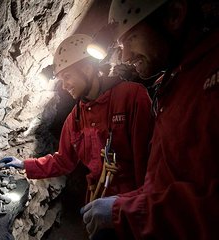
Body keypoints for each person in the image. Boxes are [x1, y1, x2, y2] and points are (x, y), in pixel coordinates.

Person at [81, 0, 219, 239]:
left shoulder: (210, 79)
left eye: (131, 38)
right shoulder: (173, 84)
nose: (124, 56)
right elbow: (167, 179)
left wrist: (131, 212)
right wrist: (128, 203)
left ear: (174, 15)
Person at [0, 34, 153, 215]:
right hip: (97, 203)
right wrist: (25, 164)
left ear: (87, 69)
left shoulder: (131, 97)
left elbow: (149, 162)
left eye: (67, 77)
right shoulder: (75, 119)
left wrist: (136, 208)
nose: (64, 86)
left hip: (132, 206)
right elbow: (63, 161)